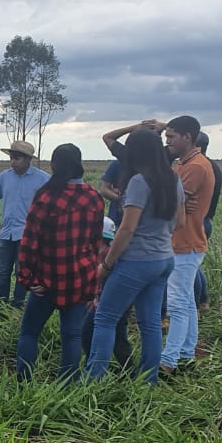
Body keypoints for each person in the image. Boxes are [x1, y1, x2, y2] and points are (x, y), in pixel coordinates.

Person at [84, 129, 183, 385]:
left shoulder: (140, 182)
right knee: (150, 323)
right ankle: (148, 381)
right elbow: (180, 221)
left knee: (105, 317)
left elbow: (127, 229)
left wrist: (106, 264)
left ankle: (94, 380)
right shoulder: (173, 179)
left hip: (137, 262)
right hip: (164, 259)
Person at [13, 144, 105, 382]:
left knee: (30, 333)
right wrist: (93, 283)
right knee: (72, 336)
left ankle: (23, 383)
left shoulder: (46, 196)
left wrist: (26, 278)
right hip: (79, 279)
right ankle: (68, 386)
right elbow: (96, 243)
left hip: (46, 279)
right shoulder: (93, 196)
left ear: (54, 165)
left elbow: (30, 241)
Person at [160, 115, 215, 374]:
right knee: (186, 303)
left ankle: (168, 360)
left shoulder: (195, 167)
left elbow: (167, 199)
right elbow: (174, 197)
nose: (167, 141)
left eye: (171, 137)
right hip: (186, 242)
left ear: (188, 137)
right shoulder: (185, 163)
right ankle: (185, 353)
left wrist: (175, 201)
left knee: (178, 304)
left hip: (185, 243)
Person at [0, 140, 49, 308]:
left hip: (28, 236)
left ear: (28, 159)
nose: (13, 162)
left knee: (22, 273)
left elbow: (50, 207)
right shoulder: (4, 177)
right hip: (6, 233)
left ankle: (17, 307)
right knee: (3, 272)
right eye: (11, 158)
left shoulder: (43, 179)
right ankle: (1, 307)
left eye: (17, 158)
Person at [81, 217, 134, 372]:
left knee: (88, 332)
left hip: (111, 299)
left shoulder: (108, 254)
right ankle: (128, 371)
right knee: (118, 336)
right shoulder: (103, 250)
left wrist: (93, 300)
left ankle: (94, 370)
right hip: (118, 299)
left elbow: (103, 281)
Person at [193, 132, 222, 308]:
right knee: (194, 264)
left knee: (187, 267)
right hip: (207, 220)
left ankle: (196, 304)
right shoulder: (213, 166)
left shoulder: (199, 167)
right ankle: (203, 300)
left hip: (197, 222)